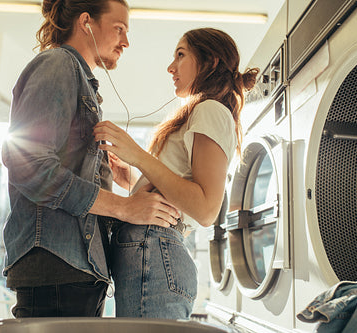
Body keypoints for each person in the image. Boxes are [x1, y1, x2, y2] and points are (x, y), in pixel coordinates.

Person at [1, 0, 179, 318]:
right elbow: (27, 164)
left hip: (75, 268)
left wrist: (123, 187)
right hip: (58, 267)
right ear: (87, 22)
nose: (126, 41)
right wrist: (124, 207)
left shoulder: (82, 81)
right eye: (119, 28)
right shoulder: (57, 64)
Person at [93, 27, 259, 319]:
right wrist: (132, 178)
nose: (171, 67)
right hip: (153, 250)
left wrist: (140, 157)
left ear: (212, 62)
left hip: (156, 251)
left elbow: (206, 209)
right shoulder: (201, 111)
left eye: (180, 55)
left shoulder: (210, 110)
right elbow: (182, 185)